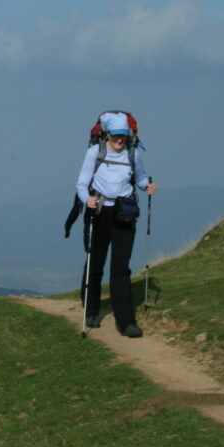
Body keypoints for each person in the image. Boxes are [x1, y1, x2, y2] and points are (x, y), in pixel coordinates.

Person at [75, 112, 157, 337]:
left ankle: (126, 322)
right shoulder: (95, 152)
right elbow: (82, 184)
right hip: (99, 211)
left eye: (123, 136)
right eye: (116, 136)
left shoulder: (134, 153)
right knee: (96, 261)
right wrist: (87, 199)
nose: (119, 140)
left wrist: (146, 186)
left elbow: (139, 177)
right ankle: (91, 311)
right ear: (107, 134)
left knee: (121, 267)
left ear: (128, 135)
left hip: (124, 213)